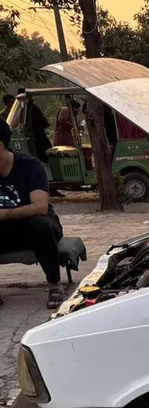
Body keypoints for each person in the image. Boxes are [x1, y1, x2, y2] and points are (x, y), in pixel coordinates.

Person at [0, 119, 65, 309]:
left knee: (40, 224)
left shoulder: (30, 166)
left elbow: (40, 207)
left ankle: (55, 285)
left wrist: (5, 214)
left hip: (33, 228)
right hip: (5, 232)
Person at [16, 88, 52, 163]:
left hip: (38, 140)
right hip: (33, 139)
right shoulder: (24, 109)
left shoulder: (32, 108)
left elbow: (43, 123)